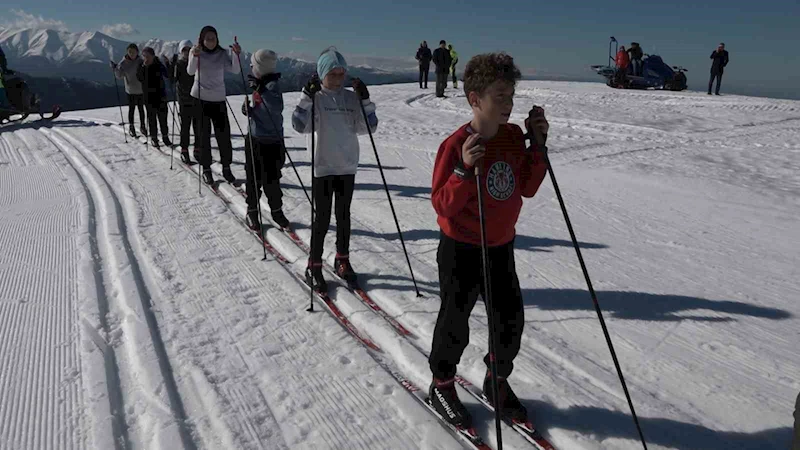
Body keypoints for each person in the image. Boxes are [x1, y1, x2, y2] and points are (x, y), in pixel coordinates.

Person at [427, 52, 550, 428]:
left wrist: (538, 146)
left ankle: (496, 380)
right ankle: (442, 384)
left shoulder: (514, 137)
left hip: (500, 246)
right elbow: (443, 206)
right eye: (500, 96)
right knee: (455, 321)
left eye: (511, 96)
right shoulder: (456, 144)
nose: (508, 105)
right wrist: (464, 169)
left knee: (509, 320)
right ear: (475, 99)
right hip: (461, 248)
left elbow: (527, 188)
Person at [291, 47, 379, 292]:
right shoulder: (316, 98)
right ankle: (314, 264)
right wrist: (306, 98)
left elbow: (369, 128)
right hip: (323, 166)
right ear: (322, 74)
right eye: (333, 73)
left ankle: (342, 259)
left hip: (347, 165)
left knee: (343, 215)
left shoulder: (351, 99)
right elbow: (299, 125)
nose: (338, 78)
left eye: (341, 73)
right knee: (321, 218)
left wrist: (365, 100)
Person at [241, 49, 290, 231]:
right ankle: (252, 210)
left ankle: (276, 210)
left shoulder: (272, 86)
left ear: (260, 68)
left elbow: (276, 107)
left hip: (271, 141)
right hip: (255, 138)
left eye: (253, 65)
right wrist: (249, 110)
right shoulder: (262, 85)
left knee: (272, 180)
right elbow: (262, 110)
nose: (251, 68)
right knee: (253, 178)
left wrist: (260, 89)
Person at [187, 25, 241, 185]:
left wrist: (237, 54)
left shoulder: (222, 53)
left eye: (213, 38)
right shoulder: (195, 51)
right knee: (203, 136)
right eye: (208, 38)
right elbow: (190, 71)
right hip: (200, 99)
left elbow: (236, 70)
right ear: (202, 39)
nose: (211, 41)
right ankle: (206, 169)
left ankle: (226, 167)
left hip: (218, 99)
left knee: (224, 136)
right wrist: (195, 55)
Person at [166, 40, 199, 164]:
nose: (186, 52)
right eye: (184, 50)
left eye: (188, 49)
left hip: (196, 99)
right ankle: (184, 150)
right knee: (185, 127)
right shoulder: (179, 65)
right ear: (181, 51)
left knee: (197, 126)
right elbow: (172, 81)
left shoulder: (196, 62)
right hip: (184, 100)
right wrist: (171, 67)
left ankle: (197, 148)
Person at [137, 47, 171, 147]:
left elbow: (167, 75)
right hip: (149, 97)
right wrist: (144, 67)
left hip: (161, 96)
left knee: (163, 119)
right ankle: (154, 138)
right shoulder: (142, 65)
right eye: (144, 56)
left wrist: (168, 63)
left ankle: (165, 137)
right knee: (152, 119)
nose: (146, 58)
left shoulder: (159, 64)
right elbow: (139, 78)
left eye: (147, 56)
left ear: (153, 55)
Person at [111, 43, 147, 138]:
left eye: (133, 52)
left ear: (137, 52)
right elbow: (119, 76)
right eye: (130, 52)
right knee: (132, 109)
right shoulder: (123, 63)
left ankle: (142, 126)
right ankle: (132, 127)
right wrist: (116, 69)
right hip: (130, 90)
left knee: (141, 109)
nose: (132, 54)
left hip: (140, 90)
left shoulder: (140, 61)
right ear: (127, 52)